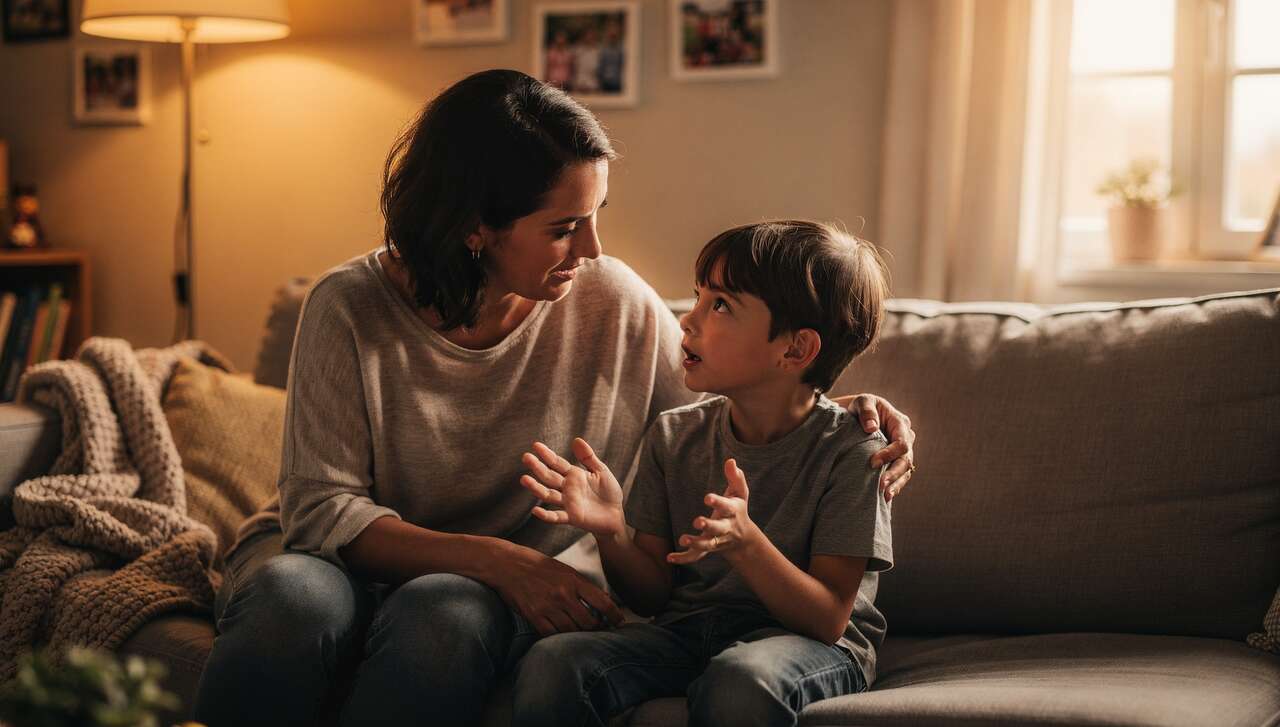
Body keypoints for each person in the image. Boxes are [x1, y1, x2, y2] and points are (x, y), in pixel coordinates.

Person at [191, 70, 918, 727]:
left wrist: (848, 408)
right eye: (565, 228)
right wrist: (500, 560)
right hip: (335, 561)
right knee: (294, 599)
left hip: (471, 597)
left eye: (597, 214)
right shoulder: (347, 307)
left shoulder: (611, 302)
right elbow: (319, 508)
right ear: (475, 225)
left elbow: (734, 390)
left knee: (443, 611)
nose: (594, 249)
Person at [511, 221, 894, 727]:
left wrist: (746, 544)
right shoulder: (674, 436)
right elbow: (649, 596)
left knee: (740, 680)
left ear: (796, 350)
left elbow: (827, 619)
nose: (688, 321)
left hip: (807, 646)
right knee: (554, 663)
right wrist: (610, 531)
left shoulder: (854, 451)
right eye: (698, 296)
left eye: (720, 305)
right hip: (688, 631)